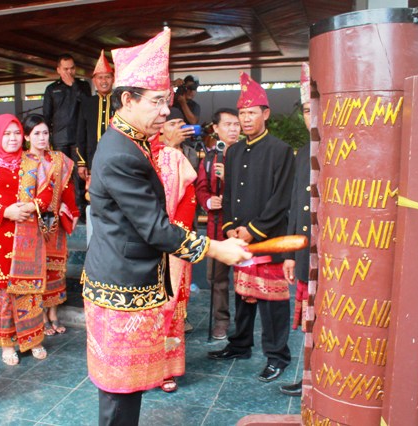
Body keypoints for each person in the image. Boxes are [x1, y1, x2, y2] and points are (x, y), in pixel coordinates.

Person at [82, 28, 251, 426]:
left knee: (128, 388)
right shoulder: (122, 152)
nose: (165, 112)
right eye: (157, 102)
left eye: (168, 102)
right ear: (127, 99)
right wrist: (215, 248)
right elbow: (156, 228)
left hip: (131, 278)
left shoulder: (134, 141)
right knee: (119, 392)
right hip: (120, 285)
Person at [208, 72, 295, 385]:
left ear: (265, 114)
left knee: (272, 302)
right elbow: (229, 193)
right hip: (239, 238)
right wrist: (231, 227)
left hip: (268, 239)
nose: (245, 119)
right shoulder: (234, 151)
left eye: (251, 113)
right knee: (243, 294)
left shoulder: (280, 150)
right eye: (241, 114)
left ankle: (277, 357)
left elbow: (280, 199)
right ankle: (240, 344)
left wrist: (253, 230)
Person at [0, 114, 48, 365]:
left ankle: (33, 338)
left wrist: (32, 207)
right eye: (7, 133)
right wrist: (6, 211)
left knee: (29, 290)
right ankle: (7, 344)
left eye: (16, 133)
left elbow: (47, 192)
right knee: (2, 294)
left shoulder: (32, 161)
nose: (13, 138)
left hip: (28, 234)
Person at [151, 111, 198, 392]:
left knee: (169, 309)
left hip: (171, 246)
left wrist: (171, 236)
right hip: (141, 246)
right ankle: (143, 368)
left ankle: (166, 369)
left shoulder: (176, 157)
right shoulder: (138, 154)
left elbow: (189, 199)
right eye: (170, 124)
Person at [21, 114, 79, 336]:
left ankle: (53, 313)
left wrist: (73, 211)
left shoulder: (59, 159)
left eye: (45, 133)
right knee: (40, 269)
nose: (42, 137)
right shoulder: (23, 162)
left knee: (56, 269)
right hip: (32, 224)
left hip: (55, 222)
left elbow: (68, 189)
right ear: (27, 136)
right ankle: (42, 315)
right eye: (36, 133)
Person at [280, 62, 312, 398]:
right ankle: (309, 378)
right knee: (309, 322)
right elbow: (294, 204)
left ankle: (318, 378)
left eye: (314, 106)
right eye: (304, 108)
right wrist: (290, 254)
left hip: (328, 258)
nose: (309, 114)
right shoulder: (303, 152)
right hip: (303, 253)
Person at [195, 107, 241, 340]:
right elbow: (201, 188)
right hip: (217, 225)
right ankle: (221, 321)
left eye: (236, 124)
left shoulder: (247, 153)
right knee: (217, 278)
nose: (234, 129)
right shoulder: (210, 158)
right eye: (228, 124)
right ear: (216, 129)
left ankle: (244, 324)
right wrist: (208, 201)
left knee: (245, 275)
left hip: (243, 227)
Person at [43, 53, 92, 222]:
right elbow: (46, 117)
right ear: (58, 70)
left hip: (79, 139)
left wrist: (73, 86)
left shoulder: (83, 86)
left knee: (81, 177)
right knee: (62, 177)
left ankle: (82, 214)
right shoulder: (51, 89)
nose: (69, 72)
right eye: (65, 69)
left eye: (72, 68)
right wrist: (47, 141)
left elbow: (88, 106)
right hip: (59, 139)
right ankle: (64, 212)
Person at [76, 50, 115, 183]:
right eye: (100, 77)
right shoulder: (87, 103)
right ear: (94, 80)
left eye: (107, 77)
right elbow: (81, 134)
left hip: (117, 159)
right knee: (96, 196)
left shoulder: (120, 101)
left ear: (113, 79)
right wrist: (81, 162)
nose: (104, 81)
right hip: (93, 160)